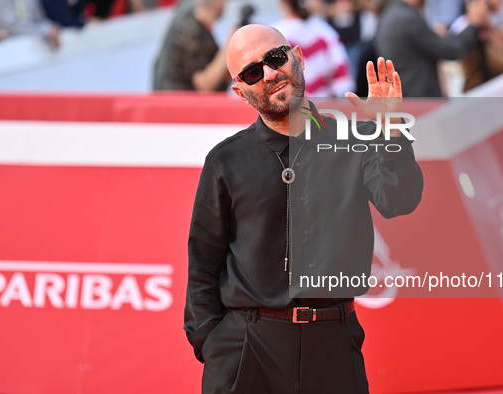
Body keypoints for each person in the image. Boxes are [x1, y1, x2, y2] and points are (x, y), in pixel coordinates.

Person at [184, 23, 423, 393]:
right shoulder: (225, 162)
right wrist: (213, 346)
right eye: (251, 72)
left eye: (276, 58)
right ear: (240, 91)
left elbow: (400, 200)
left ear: (297, 57)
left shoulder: (354, 142)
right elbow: (202, 265)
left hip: (334, 349)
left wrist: (391, 129)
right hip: (247, 354)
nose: (268, 74)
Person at [373, 0, 489, 97]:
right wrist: (473, 25)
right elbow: (450, 51)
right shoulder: (406, 19)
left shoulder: (390, 16)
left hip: (409, 99)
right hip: (421, 99)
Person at [273, 0, 355, 97]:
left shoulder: (275, 34)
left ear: (284, 4)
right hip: (325, 104)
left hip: (293, 106)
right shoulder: (324, 30)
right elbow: (342, 76)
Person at [152, 0, 230, 91]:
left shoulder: (199, 29)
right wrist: (227, 47)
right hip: (178, 102)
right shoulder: (193, 32)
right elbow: (204, 85)